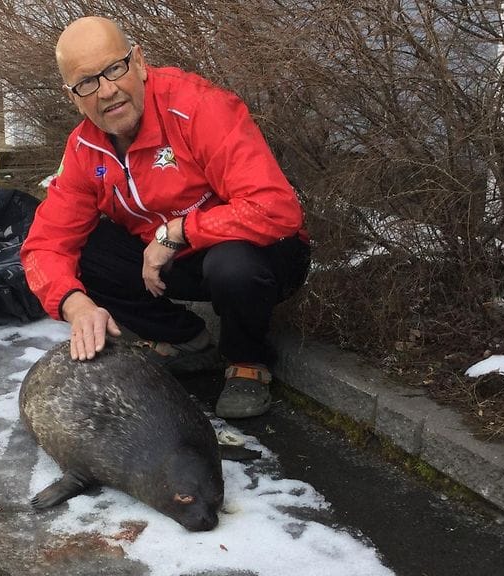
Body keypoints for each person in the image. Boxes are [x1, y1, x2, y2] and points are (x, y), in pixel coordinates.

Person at [21, 16, 310, 418]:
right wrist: (75, 306)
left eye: (114, 69)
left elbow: (277, 209)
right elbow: (44, 245)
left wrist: (180, 230)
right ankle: (188, 340)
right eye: (87, 83)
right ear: (72, 96)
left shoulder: (199, 107)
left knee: (232, 264)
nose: (107, 91)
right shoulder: (85, 149)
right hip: (170, 261)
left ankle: (248, 362)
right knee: (85, 253)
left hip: (261, 254)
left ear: (138, 61)